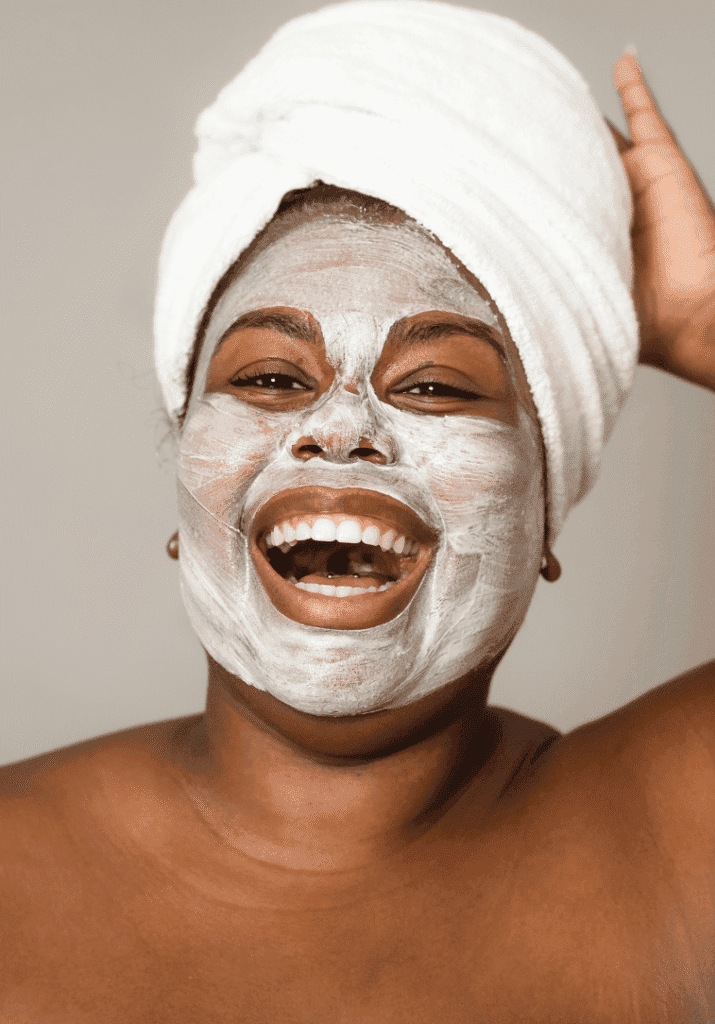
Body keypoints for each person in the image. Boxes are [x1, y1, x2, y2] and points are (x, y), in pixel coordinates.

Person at [1, 3, 713, 1021]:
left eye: (434, 387)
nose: (338, 426)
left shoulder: (680, 842)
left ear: (543, 512)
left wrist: (703, 313)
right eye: (270, 377)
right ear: (182, 483)